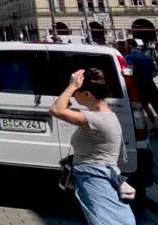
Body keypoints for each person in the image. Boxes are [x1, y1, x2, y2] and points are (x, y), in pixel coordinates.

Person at [49, 69, 135, 225]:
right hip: (94, 176)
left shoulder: (96, 119)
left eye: (77, 92)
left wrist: (72, 86)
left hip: (96, 179)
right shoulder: (101, 115)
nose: (74, 95)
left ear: (87, 94)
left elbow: (56, 110)